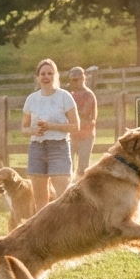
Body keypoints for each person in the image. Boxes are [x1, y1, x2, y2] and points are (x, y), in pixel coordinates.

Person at [22, 57, 79, 211]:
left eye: (50, 73)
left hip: (58, 147)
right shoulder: (32, 99)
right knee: (40, 201)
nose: (46, 76)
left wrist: (51, 126)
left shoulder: (64, 97)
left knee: (62, 197)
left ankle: (65, 231)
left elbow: (75, 126)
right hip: (37, 148)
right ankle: (43, 233)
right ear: (37, 77)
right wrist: (34, 131)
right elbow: (23, 128)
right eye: (43, 74)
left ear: (55, 76)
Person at [67, 65, 97, 178]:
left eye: (75, 80)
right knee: (68, 166)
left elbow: (84, 113)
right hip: (72, 134)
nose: (73, 83)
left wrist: (69, 111)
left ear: (82, 79)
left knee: (83, 167)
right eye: (71, 80)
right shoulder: (70, 94)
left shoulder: (88, 95)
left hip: (86, 135)